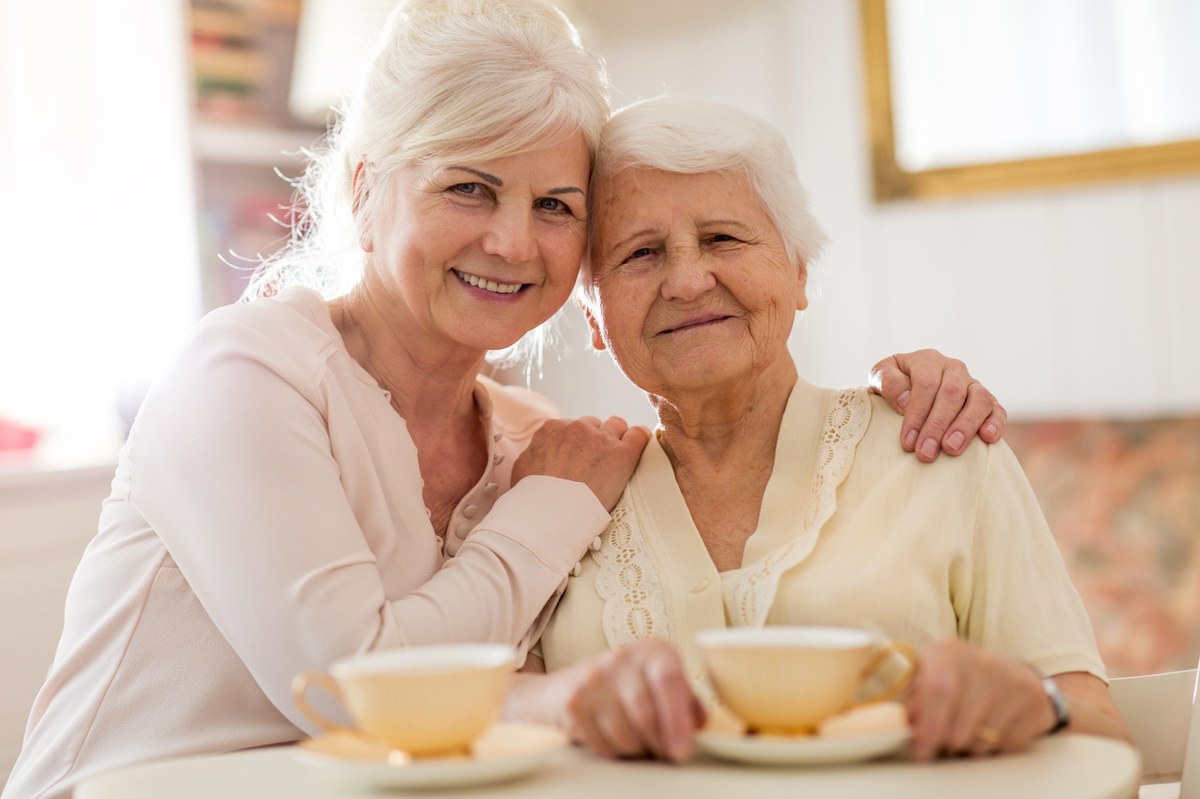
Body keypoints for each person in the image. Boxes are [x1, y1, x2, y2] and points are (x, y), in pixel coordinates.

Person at [3, 4, 1004, 798]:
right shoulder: (245, 375)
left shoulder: (533, 441)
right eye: (470, 189)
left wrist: (895, 397)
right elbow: (358, 690)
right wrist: (554, 580)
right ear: (364, 190)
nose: (515, 243)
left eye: (555, 207)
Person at [511, 95, 1131, 763]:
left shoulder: (943, 449)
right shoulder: (559, 499)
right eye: (640, 253)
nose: (687, 280)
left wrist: (1038, 706)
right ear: (594, 317)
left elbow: (1106, 738)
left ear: (799, 270)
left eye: (723, 237)